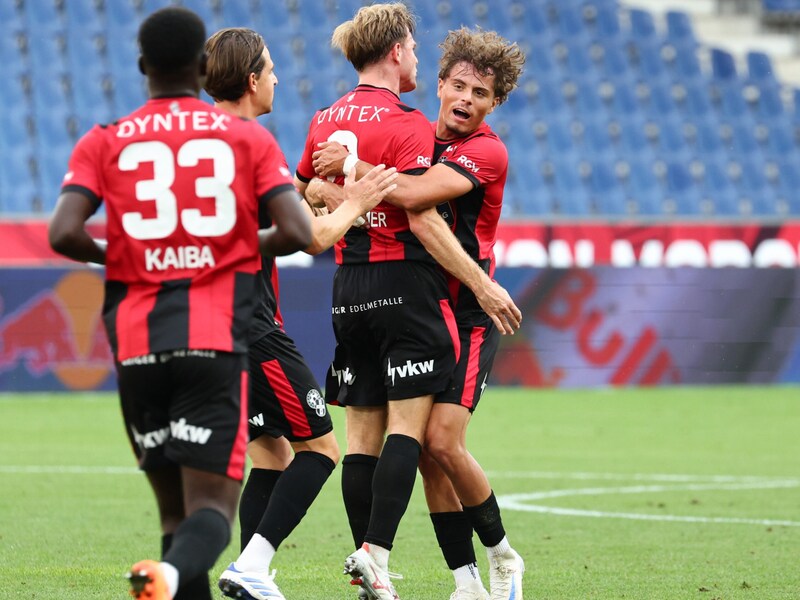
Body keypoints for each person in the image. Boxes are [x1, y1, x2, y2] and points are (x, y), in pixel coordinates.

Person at [47, 7, 315, 600]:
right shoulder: (246, 137)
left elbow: (63, 232)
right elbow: (297, 232)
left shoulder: (104, 139)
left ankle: (170, 572)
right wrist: (216, 251)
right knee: (212, 511)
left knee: (174, 518)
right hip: (212, 341)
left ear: (142, 67)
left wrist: (125, 255)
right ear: (201, 67)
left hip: (137, 344)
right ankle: (166, 575)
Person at [294, 5, 522, 599]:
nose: (467, 99)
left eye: (482, 92)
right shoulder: (416, 130)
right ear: (440, 82)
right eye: (460, 85)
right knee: (418, 448)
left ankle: (502, 557)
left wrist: (346, 167)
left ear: (494, 104)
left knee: (441, 441)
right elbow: (329, 192)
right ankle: (464, 580)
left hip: (469, 307)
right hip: (416, 298)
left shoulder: (486, 151)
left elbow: (417, 196)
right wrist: (326, 186)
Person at [201, 27, 398, 600]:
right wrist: (358, 201)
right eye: (269, 67)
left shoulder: (206, 141)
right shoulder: (252, 142)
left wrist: (312, 186)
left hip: (207, 319)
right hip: (251, 322)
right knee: (320, 449)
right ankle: (252, 567)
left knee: (271, 454)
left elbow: (285, 198)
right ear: (251, 79)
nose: (278, 78)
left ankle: (248, 573)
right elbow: (310, 238)